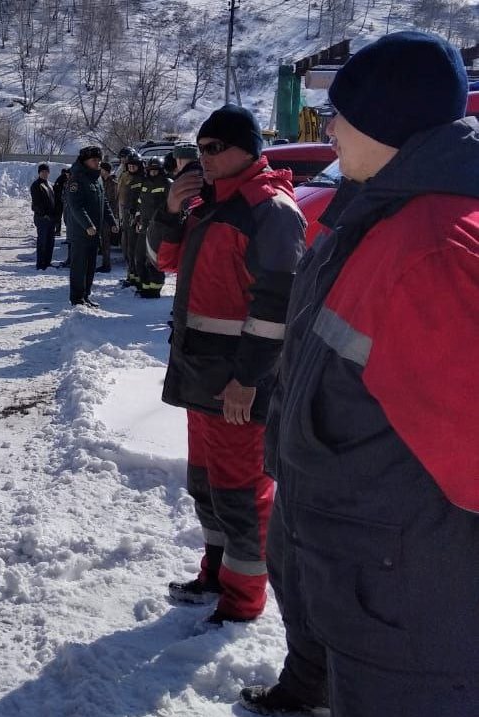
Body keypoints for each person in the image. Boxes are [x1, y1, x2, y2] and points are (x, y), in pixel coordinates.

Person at [259, 32, 479, 716]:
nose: (325, 125)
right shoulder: (375, 216)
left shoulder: (430, 252)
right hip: (359, 582)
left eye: (337, 112)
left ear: (384, 121)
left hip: (408, 621)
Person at [149, 105, 305, 624]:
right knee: (207, 484)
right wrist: (170, 211)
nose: (204, 157)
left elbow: (277, 308)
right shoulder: (209, 205)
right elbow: (165, 261)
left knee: (241, 492)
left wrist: (249, 381)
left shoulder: (270, 210)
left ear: (247, 148)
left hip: (237, 385)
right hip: (201, 378)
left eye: (215, 148)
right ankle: (215, 574)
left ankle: (242, 600)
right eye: (200, 149)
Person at [63, 145, 118, 307]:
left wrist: (112, 221)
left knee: (90, 265)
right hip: (81, 232)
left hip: (95, 232)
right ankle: (77, 298)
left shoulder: (97, 178)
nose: (98, 163)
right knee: (80, 266)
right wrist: (88, 225)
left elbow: (104, 202)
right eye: (94, 160)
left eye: (99, 160)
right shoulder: (77, 179)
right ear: (85, 161)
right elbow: (75, 206)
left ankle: (86, 295)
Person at [131, 156, 169, 298]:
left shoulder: (167, 184)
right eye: (150, 170)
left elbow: (171, 207)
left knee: (153, 260)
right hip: (144, 225)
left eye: (156, 170)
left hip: (158, 227)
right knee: (139, 256)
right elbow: (141, 203)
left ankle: (155, 289)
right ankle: (144, 286)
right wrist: (138, 219)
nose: (153, 173)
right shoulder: (145, 184)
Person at [118, 152, 145, 289]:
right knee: (128, 249)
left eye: (135, 166)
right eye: (130, 166)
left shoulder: (143, 180)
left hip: (137, 219)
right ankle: (131, 275)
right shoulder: (129, 178)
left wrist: (138, 217)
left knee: (136, 250)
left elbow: (143, 201)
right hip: (127, 216)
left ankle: (138, 277)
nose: (132, 168)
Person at [29, 163, 56, 270]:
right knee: (42, 241)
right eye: (42, 172)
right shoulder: (36, 185)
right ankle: (40, 264)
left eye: (46, 172)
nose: (45, 174)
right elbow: (36, 203)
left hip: (51, 218)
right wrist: (44, 214)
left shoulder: (49, 185)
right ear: (39, 173)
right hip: (42, 218)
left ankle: (47, 262)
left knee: (50, 241)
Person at [96, 160, 118, 273]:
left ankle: (106, 265)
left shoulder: (113, 184)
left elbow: (113, 203)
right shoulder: (100, 182)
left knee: (106, 242)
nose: (100, 171)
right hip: (100, 216)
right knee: (101, 242)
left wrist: (113, 219)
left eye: (102, 170)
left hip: (108, 217)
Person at [52, 167, 69, 236]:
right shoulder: (67, 180)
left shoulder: (59, 179)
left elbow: (55, 189)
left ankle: (58, 231)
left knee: (58, 217)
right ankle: (68, 232)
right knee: (66, 218)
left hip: (59, 201)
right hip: (64, 201)